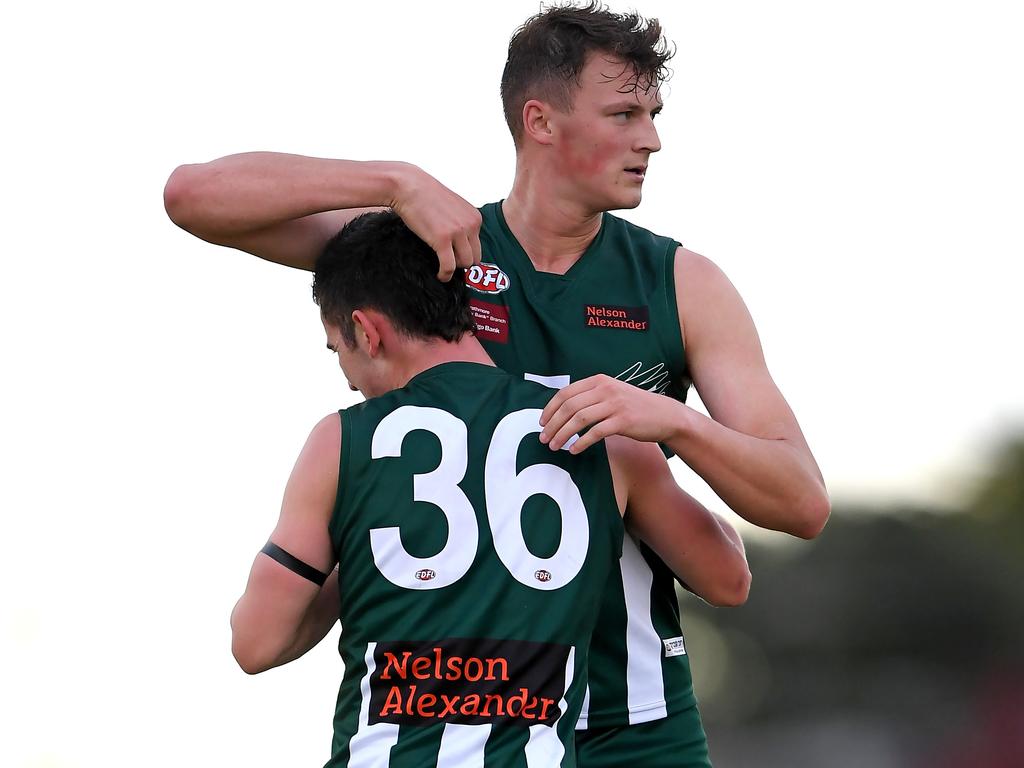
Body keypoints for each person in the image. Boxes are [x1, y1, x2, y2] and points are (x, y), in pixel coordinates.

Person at [166, 4, 828, 765]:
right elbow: (193, 197)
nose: (651, 138)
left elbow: (801, 501)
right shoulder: (432, 249)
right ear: (540, 121)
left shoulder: (682, 283)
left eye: (652, 112)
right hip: (464, 722)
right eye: (623, 113)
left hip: (635, 723)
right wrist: (392, 180)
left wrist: (673, 423)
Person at [230, 210, 749, 767]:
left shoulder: (342, 439)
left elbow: (256, 642)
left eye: (339, 352)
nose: (350, 379)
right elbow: (728, 578)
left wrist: (367, 546)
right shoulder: (606, 438)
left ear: (366, 330)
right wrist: (670, 427)